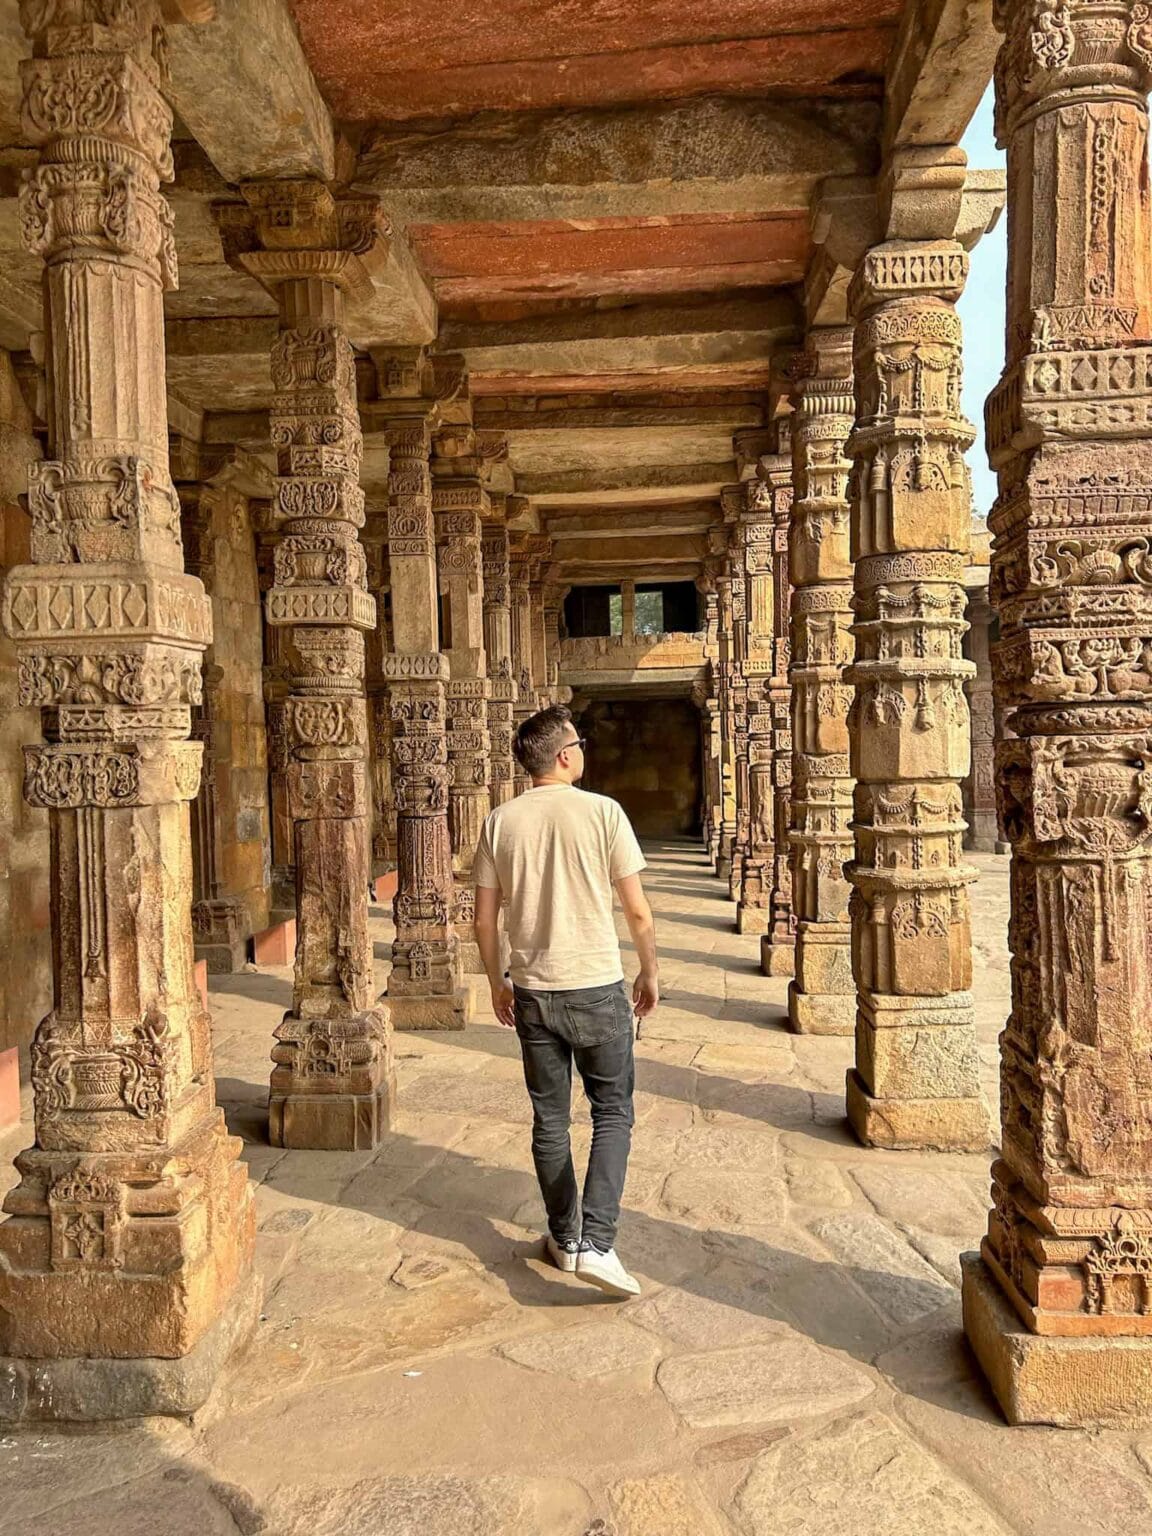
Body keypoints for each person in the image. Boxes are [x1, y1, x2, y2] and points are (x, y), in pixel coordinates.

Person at [472, 705, 659, 1298]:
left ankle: (566, 1236)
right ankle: (599, 1245)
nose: (583, 750)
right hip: (597, 987)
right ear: (562, 755)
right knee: (612, 1114)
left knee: (550, 1120)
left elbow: (483, 922)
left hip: (532, 990)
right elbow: (636, 910)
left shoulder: (499, 822)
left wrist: (496, 983)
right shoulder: (604, 813)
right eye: (579, 742)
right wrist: (648, 971)